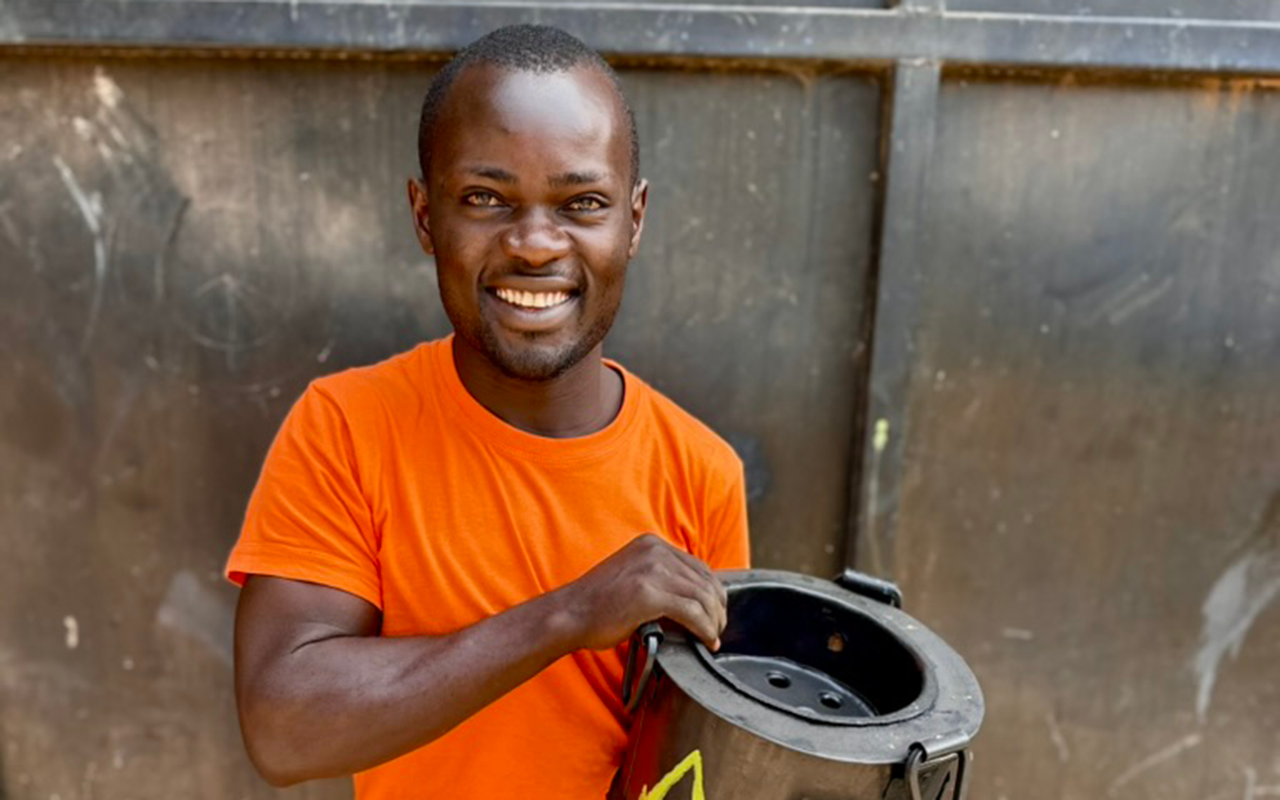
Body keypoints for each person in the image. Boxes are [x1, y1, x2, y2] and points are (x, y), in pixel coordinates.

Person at [225, 24, 750, 800]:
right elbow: (283, 727)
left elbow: (702, 755)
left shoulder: (699, 471)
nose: (536, 243)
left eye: (582, 203)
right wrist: (568, 616)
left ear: (633, 220)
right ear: (425, 214)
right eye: (484, 198)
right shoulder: (347, 426)